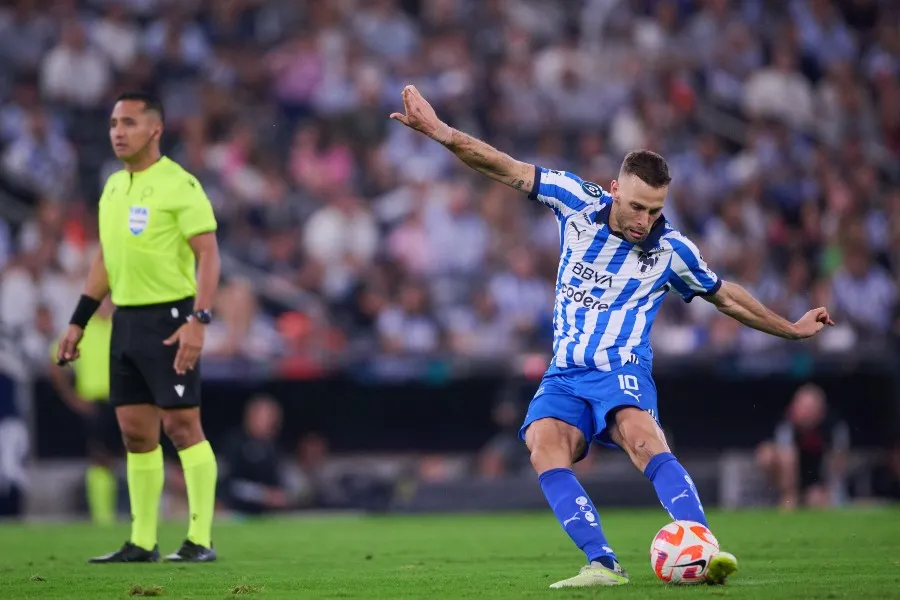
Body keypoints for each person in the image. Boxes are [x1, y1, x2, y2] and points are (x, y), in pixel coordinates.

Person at [389, 85, 835, 588]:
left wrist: (792, 329)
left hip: (621, 367)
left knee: (642, 437)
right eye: (640, 207)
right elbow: (504, 166)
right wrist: (442, 132)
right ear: (615, 189)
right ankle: (603, 564)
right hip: (565, 371)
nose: (647, 220)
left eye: (656, 209)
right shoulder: (575, 201)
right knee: (542, 444)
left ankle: (704, 549)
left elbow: (725, 296)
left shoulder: (672, 250)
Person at [56, 91, 221, 563]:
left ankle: (200, 539)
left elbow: (208, 254)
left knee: (184, 426)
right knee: (133, 432)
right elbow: (105, 259)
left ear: (155, 129)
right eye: (112, 124)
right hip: (125, 319)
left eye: (128, 123)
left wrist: (199, 319)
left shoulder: (179, 184)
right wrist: (78, 322)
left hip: (170, 317)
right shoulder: (112, 187)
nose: (117, 132)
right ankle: (143, 541)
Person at [49, 296, 121, 526]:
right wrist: (72, 397)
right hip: (95, 402)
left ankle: (142, 514)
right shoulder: (83, 331)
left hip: (123, 400)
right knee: (100, 458)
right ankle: (103, 517)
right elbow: (55, 361)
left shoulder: (121, 327)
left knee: (136, 452)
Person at [756, 383, 850, 509]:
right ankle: (784, 497)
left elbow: (838, 464)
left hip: (818, 477)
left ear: (821, 410)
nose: (806, 413)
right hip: (791, 476)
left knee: (818, 500)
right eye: (803, 408)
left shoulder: (833, 427)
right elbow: (786, 459)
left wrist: (830, 493)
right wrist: (790, 493)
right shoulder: (786, 424)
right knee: (769, 454)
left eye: (811, 408)